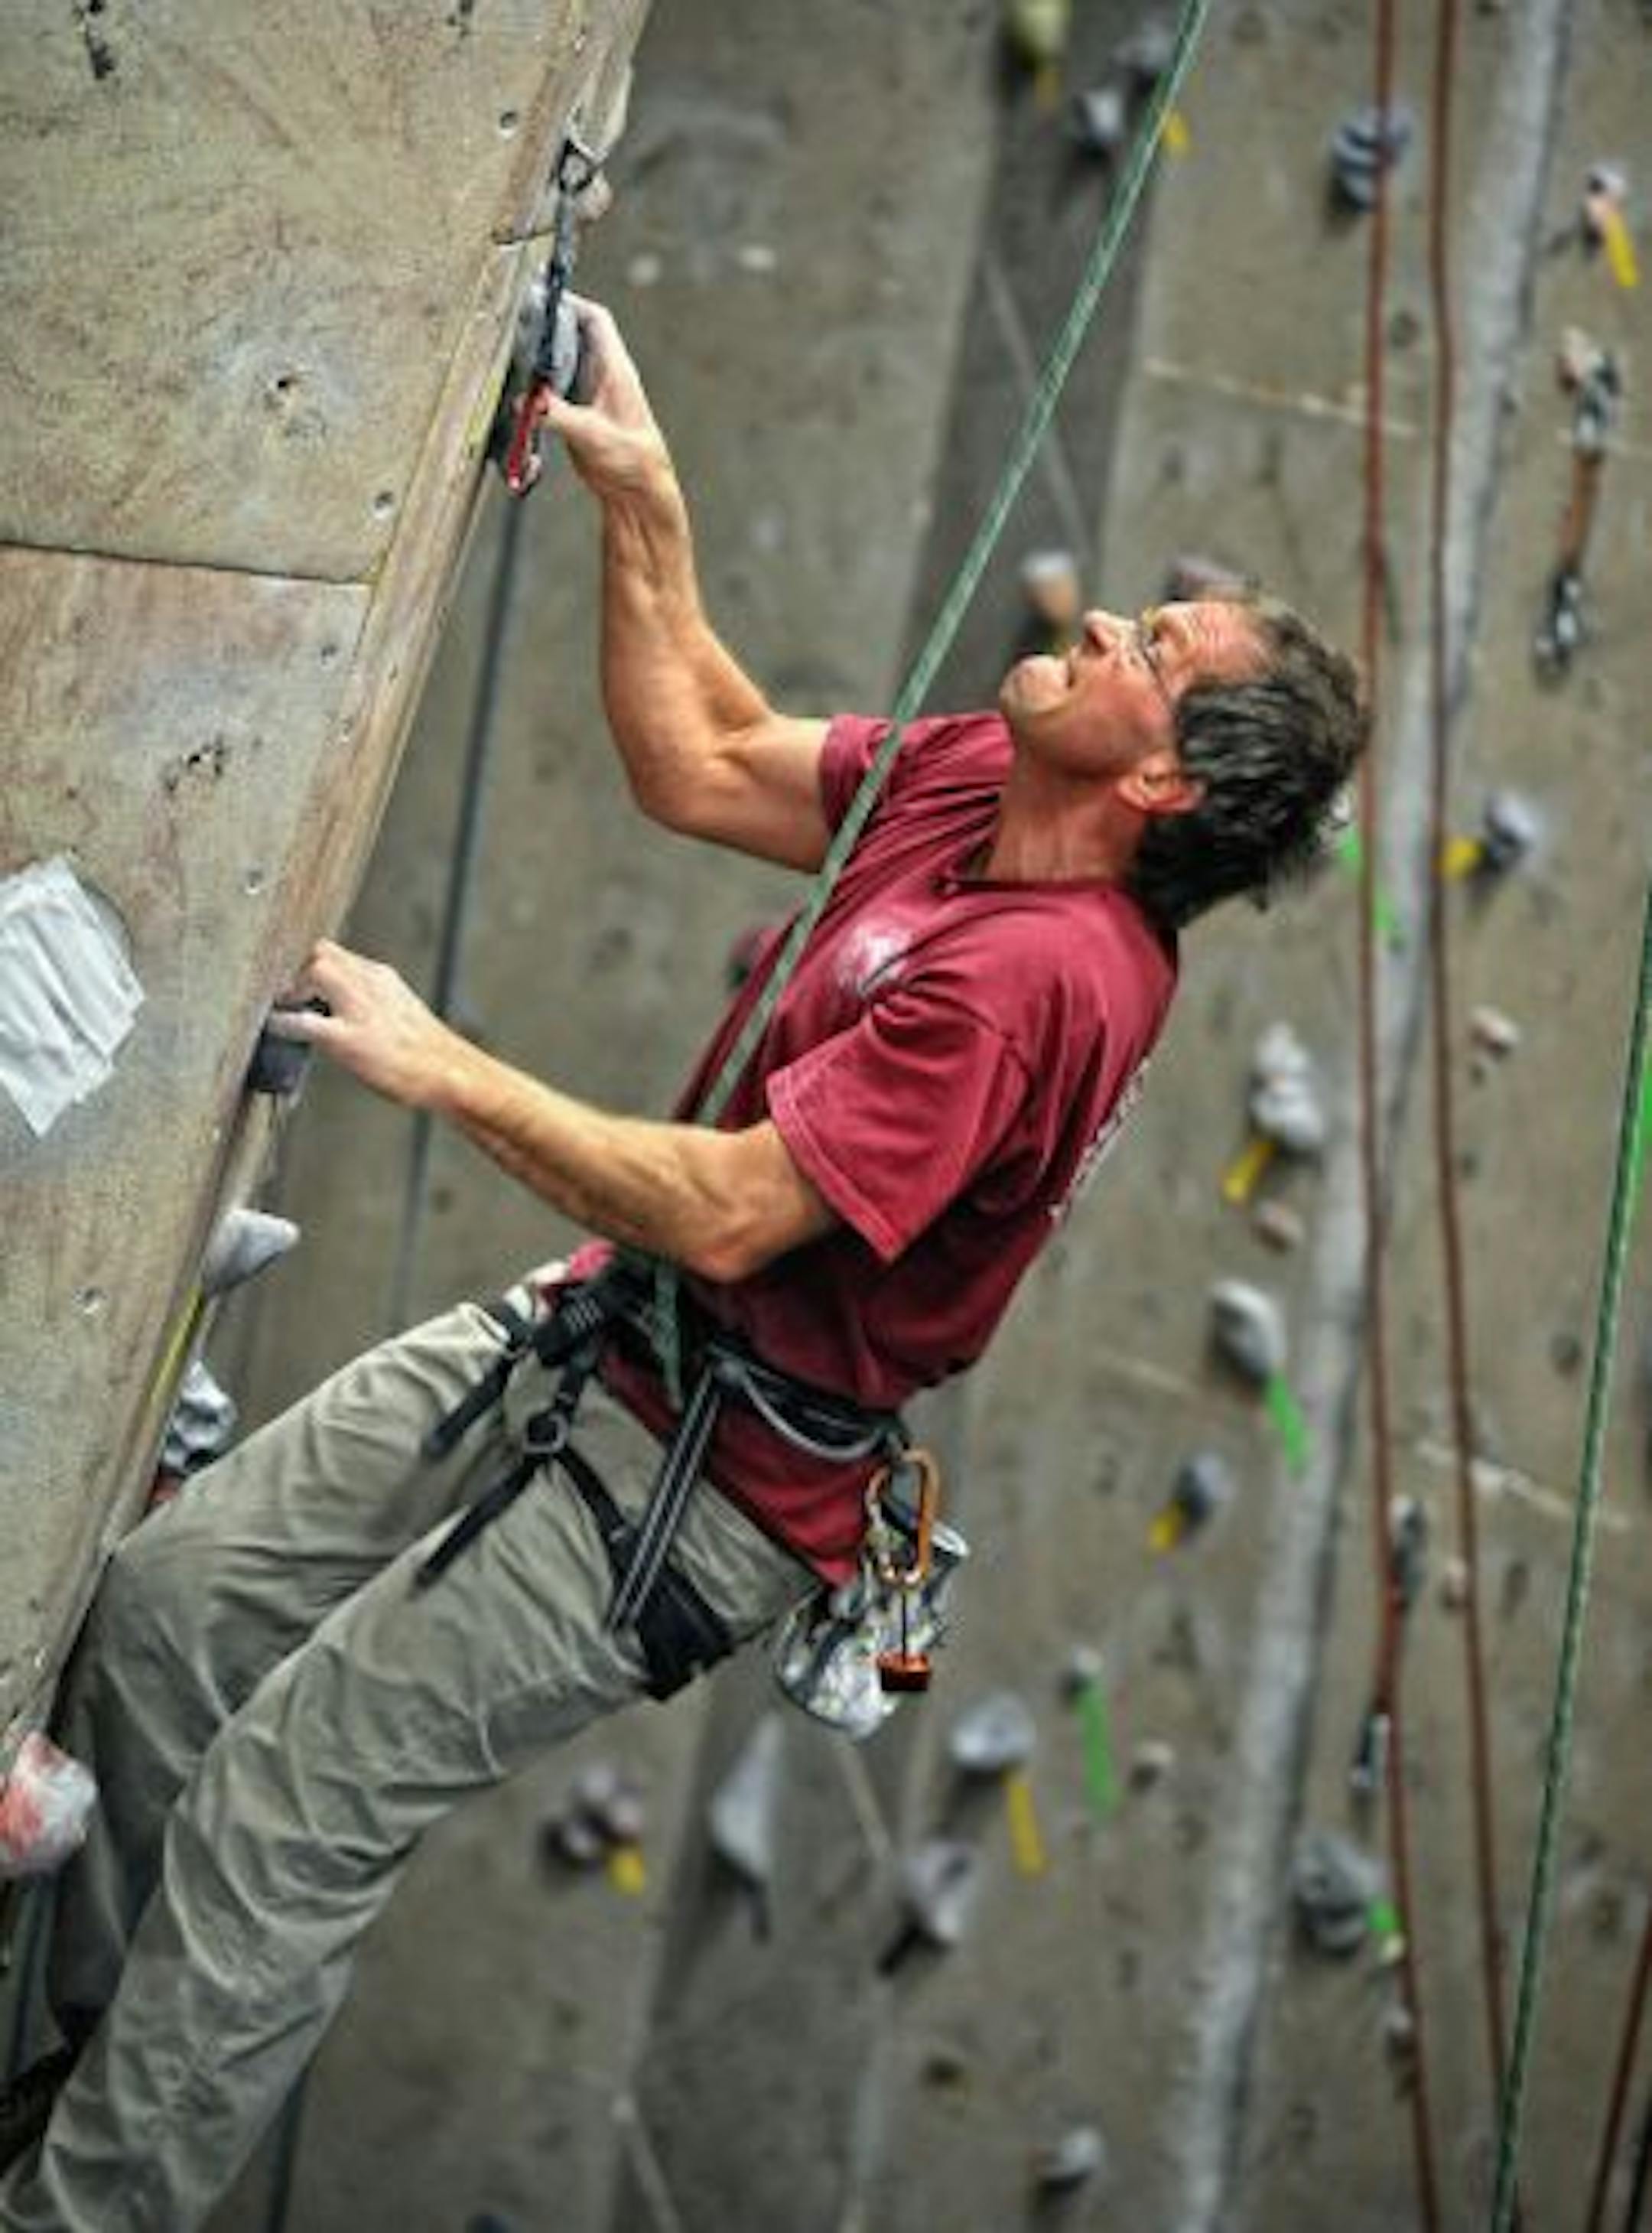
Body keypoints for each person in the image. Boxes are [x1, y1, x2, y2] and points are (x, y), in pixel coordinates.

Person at [0, 298, 1364, 2230]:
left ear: (1164, 787)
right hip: (604, 1336)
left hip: (701, 1482)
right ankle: (79, 2066)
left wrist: (437, 1060)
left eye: (1155, 651)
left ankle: (77, 2210)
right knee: (165, 1613)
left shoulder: (1039, 987)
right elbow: (707, 751)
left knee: (294, 1803)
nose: (1111, 626)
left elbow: (735, 1207)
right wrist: (641, 504)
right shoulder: (1002, 773)